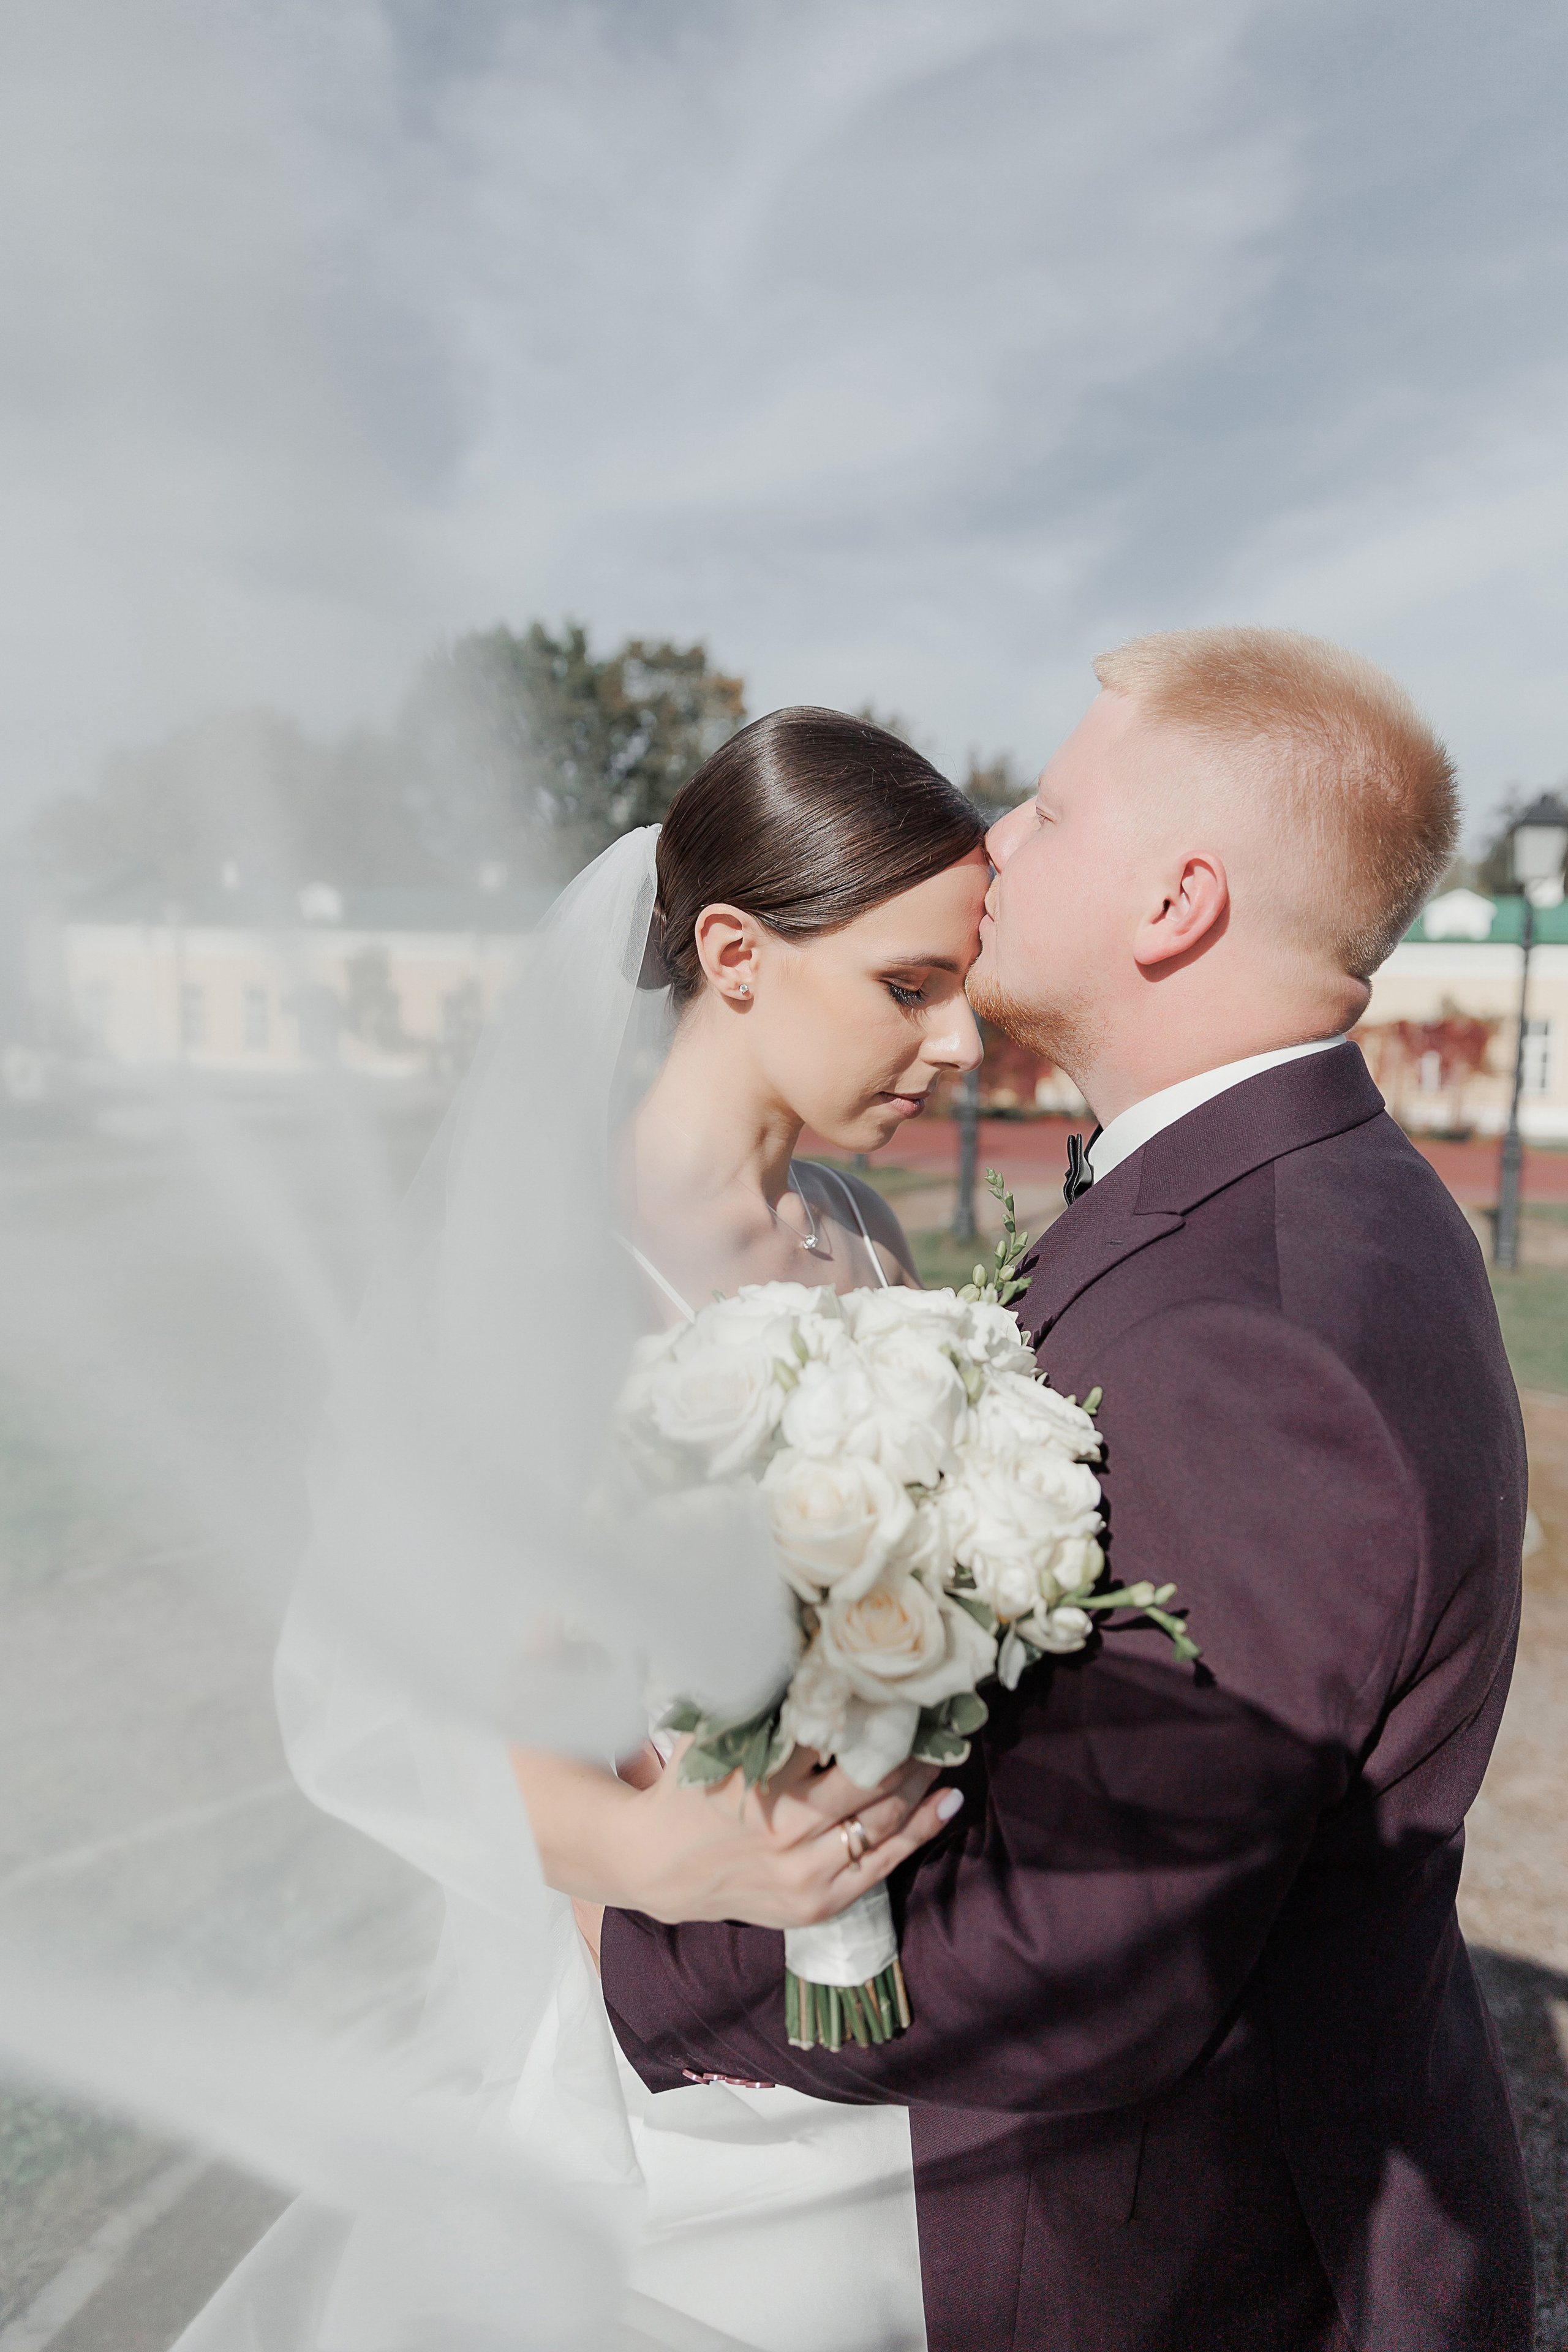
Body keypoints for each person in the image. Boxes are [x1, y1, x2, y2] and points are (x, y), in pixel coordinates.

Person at [601, 631, 1535, 2350]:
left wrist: (638, 1941)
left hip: (1173, 2268)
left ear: (1177, 903)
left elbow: (1073, 1950)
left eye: (1050, 808)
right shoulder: (1293, 1208)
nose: (994, 843)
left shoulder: (1262, 1329)